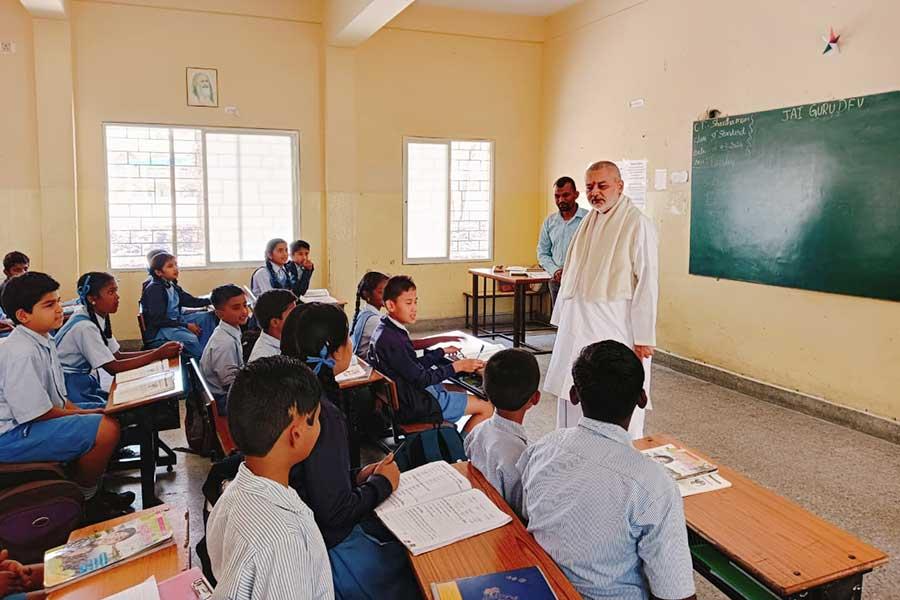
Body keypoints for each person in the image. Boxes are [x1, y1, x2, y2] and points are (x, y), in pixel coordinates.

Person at [518, 340, 695, 600]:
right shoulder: (652, 483)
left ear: (574, 395)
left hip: (546, 586)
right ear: (642, 398)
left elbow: (527, 514)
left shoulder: (543, 448)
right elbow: (675, 593)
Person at [281, 302, 419, 599]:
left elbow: (314, 476)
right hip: (332, 548)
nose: (351, 343)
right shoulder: (321, 415)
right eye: (347, 338)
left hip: (306, 530)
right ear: (333, 353)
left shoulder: (288, 394)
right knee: (414, 570)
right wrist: (382, 483)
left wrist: (357, 477)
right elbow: (335, 513)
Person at [0, 272, 130, 521]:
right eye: (49, 305)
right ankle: (85, 500)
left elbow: (58, 399)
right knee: (106, 429)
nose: (60, 309)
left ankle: (92, 491)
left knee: (110, 412)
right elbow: (38, 413)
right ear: (23, 315)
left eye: (58, 301)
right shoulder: (20, 352)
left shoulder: (43, 340)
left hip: (28, 423)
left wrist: (86, 412)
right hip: (10, 436)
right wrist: (88, 415)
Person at [545, 161, 659, 439]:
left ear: (620, 186)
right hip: (579, 328)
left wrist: (644, 336)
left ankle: (621, 456)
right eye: (590, 187)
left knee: (614, 395)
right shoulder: (590, 221)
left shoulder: (637, 223)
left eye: (602, 185)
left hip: (614, 327)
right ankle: (571, 448)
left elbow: (647, 281)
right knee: (574, 394)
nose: (595, 192)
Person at [206, 357, 334, 600]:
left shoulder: (232, 494)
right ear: (296, 434)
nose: (320, 425)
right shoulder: (283, 541)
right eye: (316, 418)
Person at [368, 275, 493, 433]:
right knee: (486, 406)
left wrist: (439, 352)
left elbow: (410, 366)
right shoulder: (394, 340)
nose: (414, 308)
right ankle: (460, 449)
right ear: (390, 305)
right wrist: (457, 366)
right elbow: (422, 379)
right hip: (415, 404)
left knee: (460, 389)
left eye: (415, 302)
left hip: (406, 397)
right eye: (408, 303)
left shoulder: (386, 329)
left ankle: (445, 435)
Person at [55, 272, 182, 408]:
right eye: (111, 292)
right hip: (68, 387)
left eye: (116, 291)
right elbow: (113, 367)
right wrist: (157, 354)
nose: (117, 297)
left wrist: (158, 352)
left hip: (81, 381)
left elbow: (117, 355)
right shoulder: (85, 327)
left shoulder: (96, 316)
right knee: (117, 411)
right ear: (92, 298)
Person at [463, 349, 540, 517]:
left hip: (478, 508)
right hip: (502, 526)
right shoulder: (521, 456)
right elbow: (523, 511)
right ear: (535, 398)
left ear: (484, 391)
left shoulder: (477, 431)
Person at [140, 252, 217, 360]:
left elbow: (189, 301)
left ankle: (208, 351)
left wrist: (214, 300)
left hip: (174, 321)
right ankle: (202, 363)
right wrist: (186, 325)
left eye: (176, 264)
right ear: (158, 272)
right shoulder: (155, 289)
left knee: (207, 317)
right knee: (191, 338)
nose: (175, 269)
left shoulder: (170, 284)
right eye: (170, 266)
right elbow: (158, 320)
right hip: (160, 329)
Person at [537, 177, 589, 305]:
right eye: (557, 196)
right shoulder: (550, 222)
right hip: (556, 281)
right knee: (558, 322)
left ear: (576, 195)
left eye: (566, 195)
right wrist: (555, 271)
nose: (561, 200)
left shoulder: (588, 220)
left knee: (578, 322)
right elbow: (542, 252)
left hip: (580, 281)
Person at [200, 285, 250, 414]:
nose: (244, 311)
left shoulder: (229, 330)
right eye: (236, 308)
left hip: (223, 393)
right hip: (223, 401)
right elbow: (230, 385)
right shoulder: (224, 344)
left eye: (245, 305)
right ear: (219, 313)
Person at [247, 289, 296, 363]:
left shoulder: (286, 339)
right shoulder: (263, 360)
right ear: (275, 322)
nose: (298, 316)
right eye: (293, 314)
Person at [0, 252, 29, 337]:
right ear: (6, 272)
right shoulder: (6, 290)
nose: (23, 273)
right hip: (13, 328)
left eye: (25, 269)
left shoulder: (24, 286)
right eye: (17, 270)